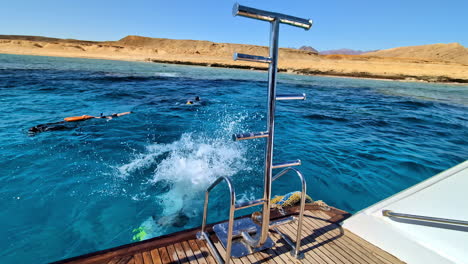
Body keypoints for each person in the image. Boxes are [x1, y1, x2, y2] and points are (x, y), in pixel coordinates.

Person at [29, 111, 132, 134]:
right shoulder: (99, 117)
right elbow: (117, 115)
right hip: (73, 123)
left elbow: (66, 119)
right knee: (59, 127)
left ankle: (37, 129)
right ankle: (38, 130)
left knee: (54, 125)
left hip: (69, 122)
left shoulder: (100, 117)